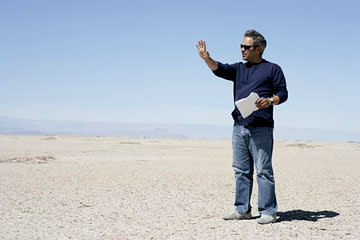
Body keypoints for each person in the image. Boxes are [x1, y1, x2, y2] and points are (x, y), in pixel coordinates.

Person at [196, 30, 288, 224]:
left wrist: (270, 101)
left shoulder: (273, 69)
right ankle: (242, 210)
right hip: (239, 126)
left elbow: (283, 94)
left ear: (259, 49)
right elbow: (219, 69)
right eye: (241, 46)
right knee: (241, 170)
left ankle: (268, 211)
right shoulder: (239, 69)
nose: (242, 50)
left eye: (246, 47)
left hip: (261, 127)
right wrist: (207, 58)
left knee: (263, 170)